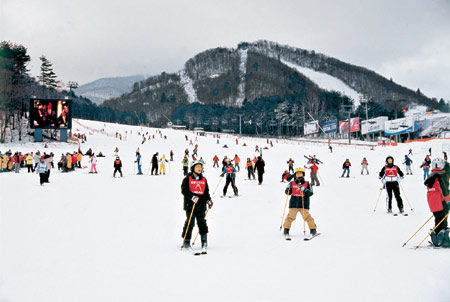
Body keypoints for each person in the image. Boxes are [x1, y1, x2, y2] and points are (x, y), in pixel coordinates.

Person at [180, 160, 213, 253]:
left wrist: (208, 200)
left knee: (202, 222)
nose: (200, 168)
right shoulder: (187, 178)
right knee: (190, 222)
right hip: (190, 205)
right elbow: (184, 191)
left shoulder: (203, 179)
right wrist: (192, 197)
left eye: (201, 167)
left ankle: (204, 241)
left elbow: (206, 192)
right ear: (193, 168)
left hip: (201, 205)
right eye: (197, 167)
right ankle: (187, 241)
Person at [282, 167, 317, 239]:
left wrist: (305, 190)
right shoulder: (292, 183)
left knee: (307, 217)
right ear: (295, 174)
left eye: (300, 173)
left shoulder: (307, 183)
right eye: (297, 173)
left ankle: (313, 230)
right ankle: (286, 230)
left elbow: (310, 193)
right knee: (290, 217)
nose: (299, 174)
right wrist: (288, 189)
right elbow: (287, 193)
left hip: (303, 204)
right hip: (294, 203)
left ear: (303, 174)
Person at [424, 158, 450, 247]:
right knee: (443, 219)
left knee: (438, 219)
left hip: (433, 203)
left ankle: (437, 237)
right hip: (442, 202)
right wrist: (448, 201)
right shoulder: (441, 176)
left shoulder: (431, 176)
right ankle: (442, 240)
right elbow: (445, 190)